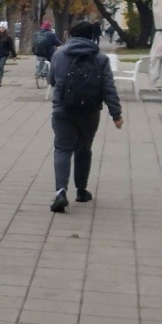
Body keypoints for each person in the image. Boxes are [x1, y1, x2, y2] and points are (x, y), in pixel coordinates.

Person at [48, 21, 123, 213]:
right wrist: (116, 114)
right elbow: (108, 88)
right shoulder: (100, 58)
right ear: (92, 36)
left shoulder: (58, 55)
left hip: (62, 109)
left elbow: (52, 80)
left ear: (71, 35)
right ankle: (81, 191)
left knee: (62, 149)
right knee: (84, 149)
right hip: (89, 111)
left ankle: (60, 192)